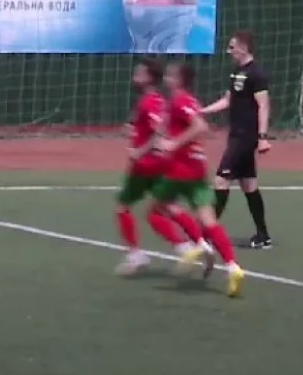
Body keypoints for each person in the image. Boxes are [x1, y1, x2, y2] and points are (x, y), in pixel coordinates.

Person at [114, 59, 213, 277]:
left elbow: (159, 130)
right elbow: (157, 128)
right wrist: (135, 132)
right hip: (161, 164)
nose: (135, 76)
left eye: (139, 73)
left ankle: (138, 254)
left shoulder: (149, 102)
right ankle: (198, 244)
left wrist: (140, 150)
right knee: (168, 207)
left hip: (145, 165)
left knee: (123, 207)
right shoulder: (159, 100)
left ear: (149, 78)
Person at [155, 62, 246, 298]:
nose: (166, 78)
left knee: (161, 205)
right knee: (209, 221)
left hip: (181, 166)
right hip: (197, 167)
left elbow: (200, 126)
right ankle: (233, 267)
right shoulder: (190, 100)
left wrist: (173, 144)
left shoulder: (179, 100)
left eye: (170, 75)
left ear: (179, 79)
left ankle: (199, 244)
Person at [201, 30, 273, 249]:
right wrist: (202, 111)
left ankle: (206, 234)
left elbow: (263, 106)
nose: (229, 51)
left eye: (232, 47)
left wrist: (262, 137)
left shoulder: (256, 74)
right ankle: (263, 236)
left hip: (246, 137)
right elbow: (227, 100)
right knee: (249, 184)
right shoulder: (236, 72)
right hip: (236, 135)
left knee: (221, 180)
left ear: (243, 47)